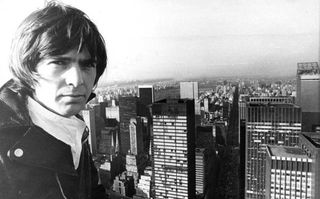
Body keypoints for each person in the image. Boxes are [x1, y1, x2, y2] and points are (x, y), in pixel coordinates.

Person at [0, 2, 109, 199]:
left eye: (87, 65)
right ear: (29, 68)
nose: (76, 81)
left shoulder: (72, 126)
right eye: (59, 62)